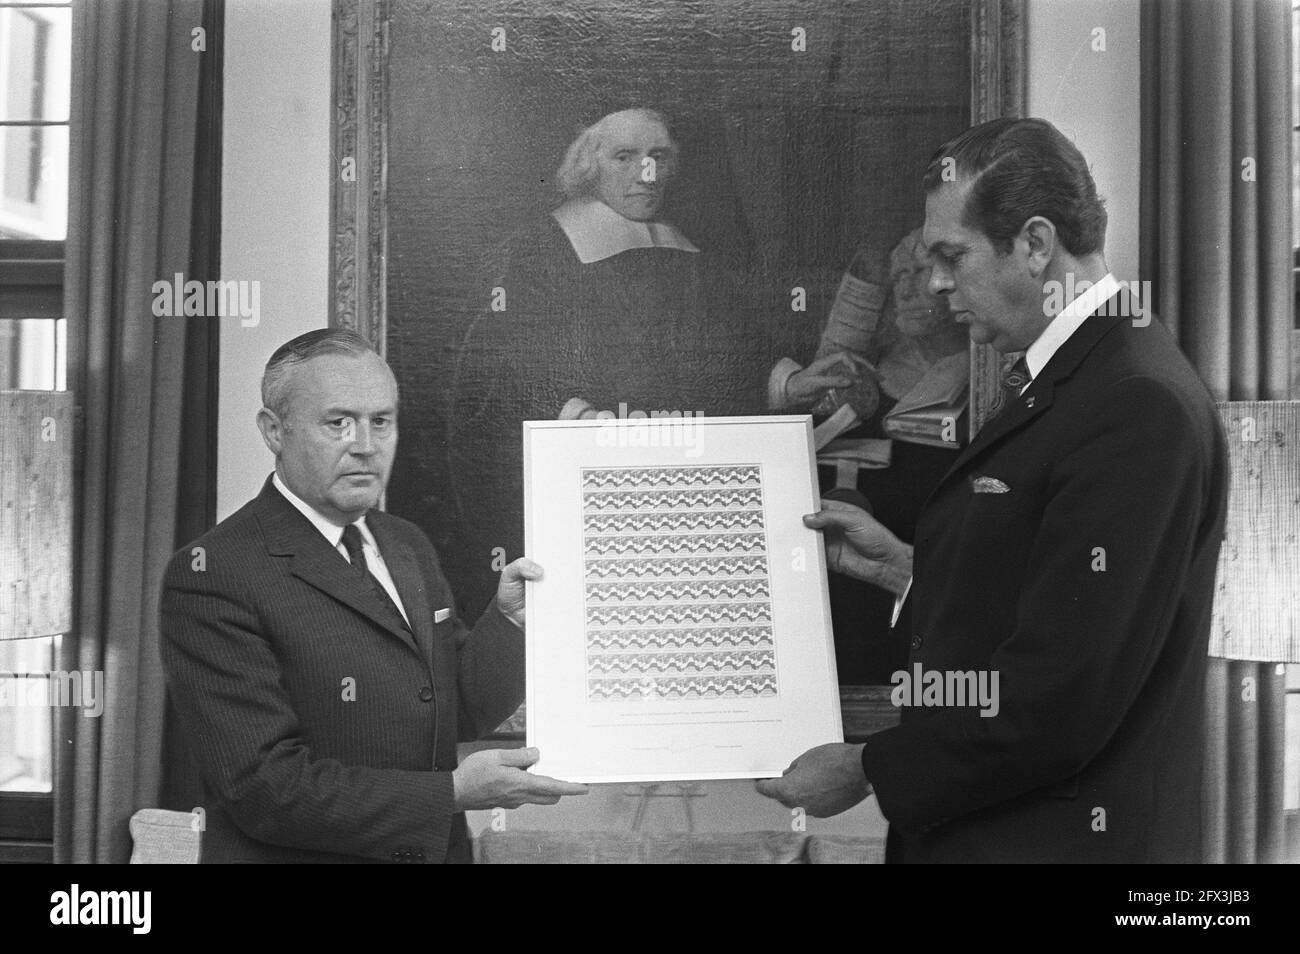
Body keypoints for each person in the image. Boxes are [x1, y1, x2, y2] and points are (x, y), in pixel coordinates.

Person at [757, 117, 1229, 863]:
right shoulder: (1087, 372)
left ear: (1036, 245)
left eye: (952, 255)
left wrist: (865, 767)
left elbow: (1058, 701)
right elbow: (1052, 590)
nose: (937, 281)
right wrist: (903, 570)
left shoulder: (1135, 403)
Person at [160, 329, 586, 864]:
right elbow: (265, 789)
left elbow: (457, 710)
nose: (365, 444)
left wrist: (511, 621)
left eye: (380, 421)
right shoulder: (212, 574)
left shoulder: (406, 543)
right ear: (273, 431)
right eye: (338, 422)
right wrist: (452, 794)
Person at [448, 107, 767, 612]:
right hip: (583, 496)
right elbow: (492, 384)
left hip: (679, 498)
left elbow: (736, 361)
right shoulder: (537, 254)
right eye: (626, 156)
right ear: (588, 164)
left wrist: (787, 385)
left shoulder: (690, 253)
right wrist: (575, 416)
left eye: (659, 156)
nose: (649, 174)